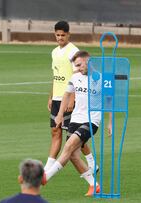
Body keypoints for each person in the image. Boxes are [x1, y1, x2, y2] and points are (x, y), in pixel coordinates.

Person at [43, 50, 111, 196]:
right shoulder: (75, 77)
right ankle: (94, 185)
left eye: (80, 65)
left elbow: (109, 100)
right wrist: (60, 115)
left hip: (91, 120)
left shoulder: (101, 78)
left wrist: (110, 123)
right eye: (76, 66)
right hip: (75, 119)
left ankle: (46, 177)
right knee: (73, 155)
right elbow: (66, 95)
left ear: (88, 62)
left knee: (68, 146)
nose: (78, 68)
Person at [45, 20, 97, 173]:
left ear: (68, 35)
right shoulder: (54, 52)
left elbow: (78, 76)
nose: (60, 37)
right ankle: (49, 165)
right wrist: (51, 95)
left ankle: (92, 163)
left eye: (63, 35)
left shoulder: (73, 52)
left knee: (75, 137)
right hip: (57, 98)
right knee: (55, 130)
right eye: (57, 35)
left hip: (68, 99)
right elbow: (55, 75)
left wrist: (73, 98)